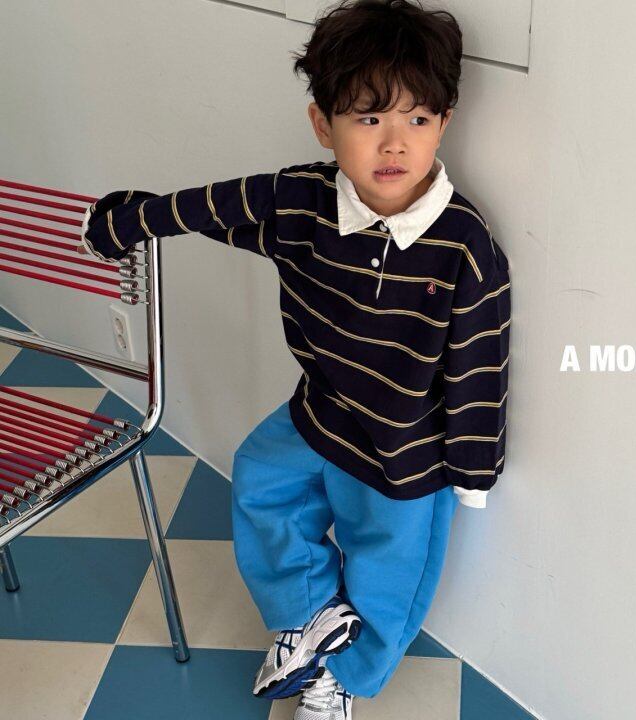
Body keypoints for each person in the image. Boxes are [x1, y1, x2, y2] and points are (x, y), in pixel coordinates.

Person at [77, 1, 511, 717]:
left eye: (418, 119)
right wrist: (132, 219)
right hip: (318, 411)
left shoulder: (465, 246)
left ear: (445, 123)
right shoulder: (301, 199)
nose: (394, 143)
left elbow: (479, 364)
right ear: (323, 123)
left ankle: (345, 680)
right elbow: (219, 208)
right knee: (259, 482)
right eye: (368, 119)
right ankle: (310, 618)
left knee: (388, 576)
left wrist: (472, 472)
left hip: (406, 456)